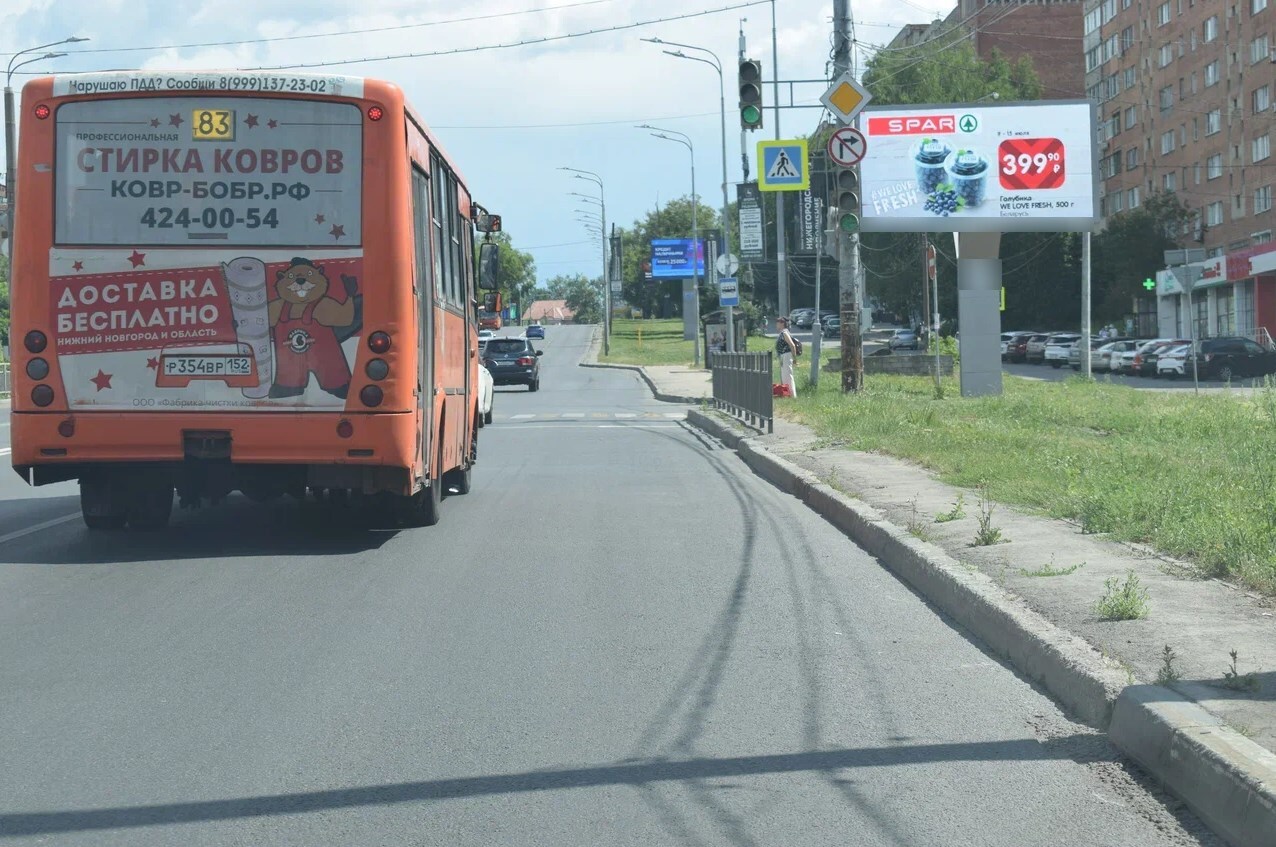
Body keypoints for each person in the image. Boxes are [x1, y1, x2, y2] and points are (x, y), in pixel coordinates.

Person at [775, 316, 799, 397]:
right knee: (784, 376)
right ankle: (786, 393)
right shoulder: (782, 333)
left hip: (786, 355)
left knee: (788, 375)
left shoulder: (785, 333)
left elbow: (792, 345)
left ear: (782, 324)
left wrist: (795, 358)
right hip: (783, 356)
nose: (776, 325)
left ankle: (792, 395)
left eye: (778, 323)